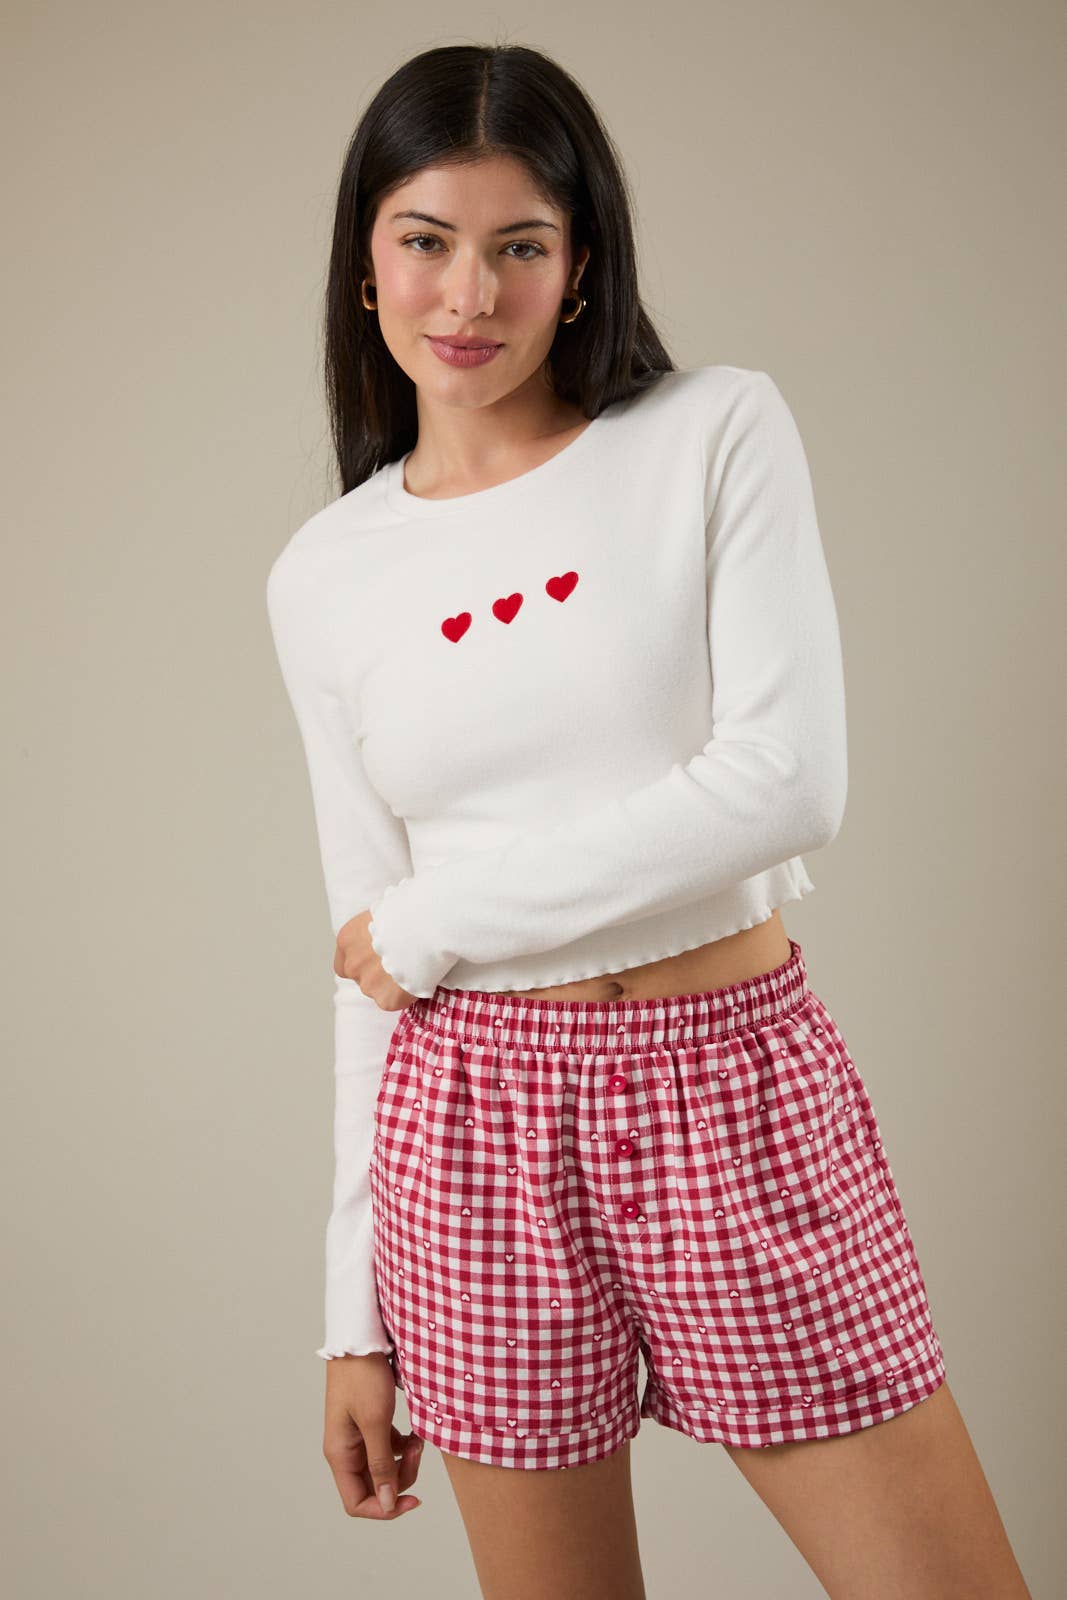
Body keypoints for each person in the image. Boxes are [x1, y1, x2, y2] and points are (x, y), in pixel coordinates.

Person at [265, 40, 1032, 1600]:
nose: (468, 294)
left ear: (579, 268)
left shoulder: (711, 431)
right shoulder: (323, 573)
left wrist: (446, 917)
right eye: (426, 240)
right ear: (364, 262)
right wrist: (352, 1315)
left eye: (519, 246)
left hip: (732, 1088)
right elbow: (369, 969)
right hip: (472, 1135)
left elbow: (787, 781)